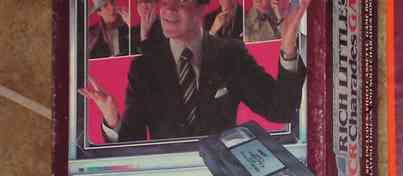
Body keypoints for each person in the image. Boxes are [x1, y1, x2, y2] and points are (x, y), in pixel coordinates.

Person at [79, 0, 310, 143]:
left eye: (181, 1)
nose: (168, 8)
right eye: (164, 1)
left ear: (202, 7)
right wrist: (112, 119)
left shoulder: (231, 53)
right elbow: (132, 144)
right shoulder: (144, 68)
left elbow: (279, 110)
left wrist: (288, 48)